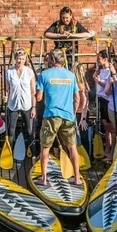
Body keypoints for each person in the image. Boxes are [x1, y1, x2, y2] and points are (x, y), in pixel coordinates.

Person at [36, 49, 82, 185]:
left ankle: (44, 178)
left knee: (45, 146)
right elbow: (77, 97)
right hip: (68, 115)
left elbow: (38, 98)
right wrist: (73, 112)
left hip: (51, 115)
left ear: (53, 60)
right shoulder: (71, 75)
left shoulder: (44, 74)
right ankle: (77, 178)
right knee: (72, 147)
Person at [5, 48, 37, 147]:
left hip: (26, 104)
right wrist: (5, 96)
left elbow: (33, 91)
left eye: (23, 59)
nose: (20, 61)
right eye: (19, 59)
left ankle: (33, 153)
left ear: (25, 59)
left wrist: (33, 107)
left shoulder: (29, 72)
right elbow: (7, 88)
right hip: (13, 104)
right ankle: (9, 152)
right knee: (11, 129)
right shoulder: (9, 72)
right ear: (15, 59)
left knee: (29, 130)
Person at [92, 50, 115, 162]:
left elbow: (109, 87)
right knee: (105, 126)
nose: (97, 61)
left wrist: (98, 82)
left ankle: (111, 150)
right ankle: (107, 147)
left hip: (107, 100)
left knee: (110, 126)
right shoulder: (100, 69)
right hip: (100, 98)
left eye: (99, 59)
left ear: (105, 59)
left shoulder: (110, 70)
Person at [72, 61, 90, 137]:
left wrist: (83, 118)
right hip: (80, 113)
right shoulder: (82, 83)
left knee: (80, 138)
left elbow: (85, 102)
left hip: (80, 113)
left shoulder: (80, 85)